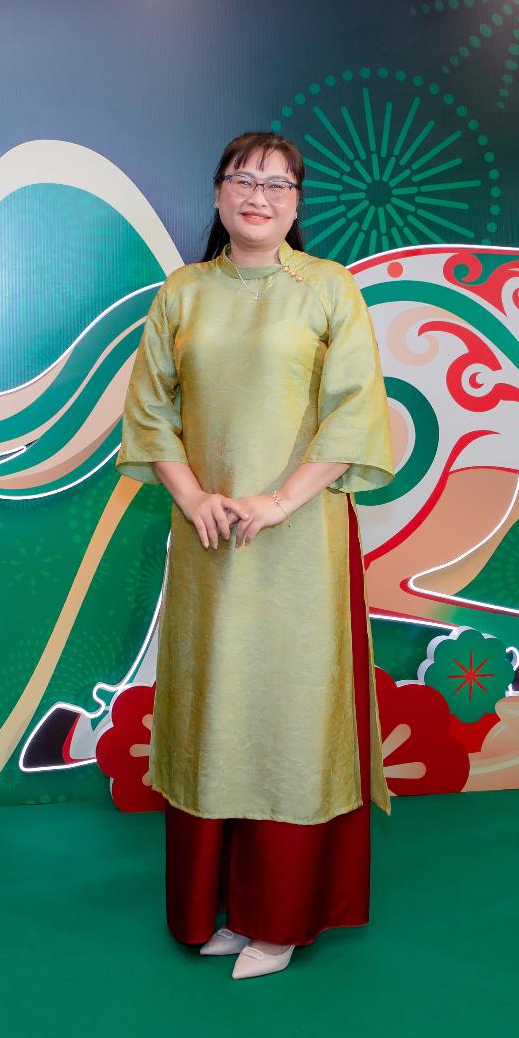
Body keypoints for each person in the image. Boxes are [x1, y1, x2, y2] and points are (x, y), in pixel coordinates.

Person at [115, 130, 396, 980]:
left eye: (277, 184)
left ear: (297, 202)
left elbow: (355, 415)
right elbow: (151, 412)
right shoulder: (183, 293)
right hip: (209, 538)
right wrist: (194, 496)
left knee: (288, 713)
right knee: (216, 707)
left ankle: (278, 918)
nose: (258, 195)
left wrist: (276, 502)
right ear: (217, 194)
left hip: (299, 539)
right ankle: (217, 907)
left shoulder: (329, 288)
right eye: (242, 178)